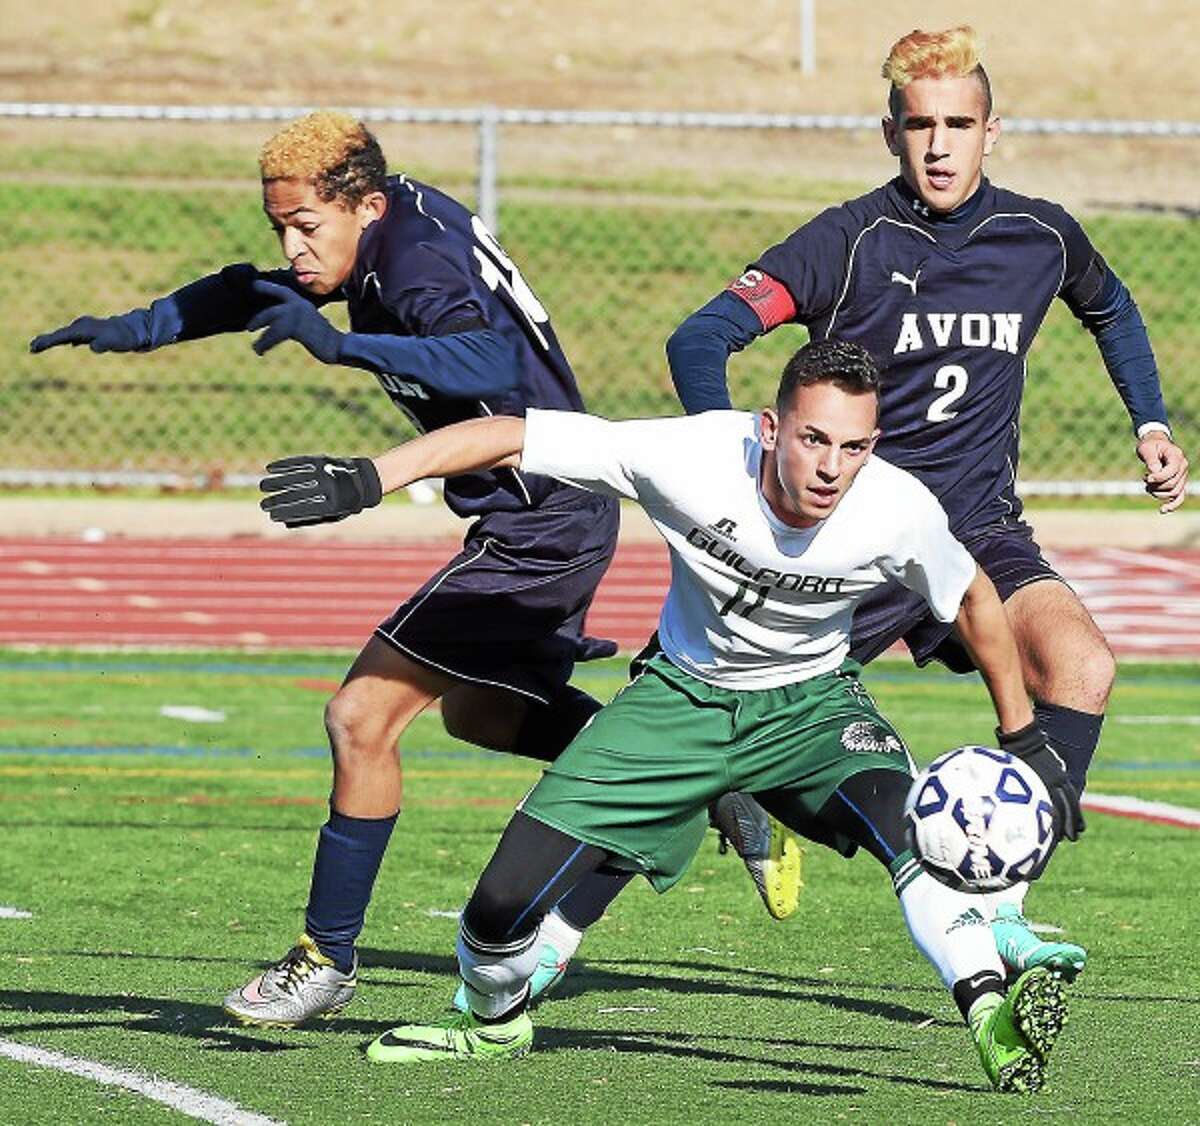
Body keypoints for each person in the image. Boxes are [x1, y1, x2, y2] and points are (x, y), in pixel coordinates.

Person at [28, 110, 799, 1028]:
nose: (292, 245)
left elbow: (487, 354)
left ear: (365, 205)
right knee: (481, 714)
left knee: (359, 719)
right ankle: (705, 780)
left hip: (540, 515)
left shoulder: (415, 259)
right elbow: (260, 292)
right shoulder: (386, 233)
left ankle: (325, 958)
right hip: (538, 514)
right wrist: (148, 325)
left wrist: (344, 345)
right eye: (279, 225)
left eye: (306, 226)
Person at [261, 339, 1084, 1092]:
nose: (833, 467)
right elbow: (511, 434)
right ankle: (491, 1023)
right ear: (771, 428)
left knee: (917, 835)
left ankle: (987, 1012)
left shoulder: (897, 509)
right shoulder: (689, 457)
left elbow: (974, 594)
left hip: (814, 710)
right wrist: (372, 476)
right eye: (814, 439)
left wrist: (1021, 734)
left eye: (855, 447)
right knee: (495, 912)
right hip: (676, 705)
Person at [664, 25, 1190, 981]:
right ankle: (736, 815)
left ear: (994, 132)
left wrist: (1149, 421)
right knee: (731, 733)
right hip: (855, 543)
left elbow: (1111, 307)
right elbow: (700, 338)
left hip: (979, 530)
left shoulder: (1040, 237)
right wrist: (731, 464)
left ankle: (1001, 915)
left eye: (960, 123)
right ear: (889, 134)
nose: (940, 145)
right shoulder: (846, 243)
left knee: (1082, 667)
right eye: (920, 126)